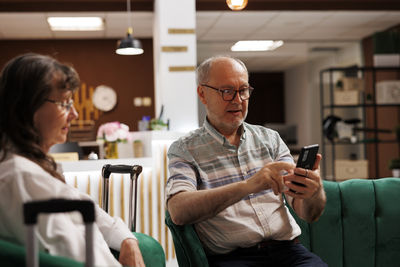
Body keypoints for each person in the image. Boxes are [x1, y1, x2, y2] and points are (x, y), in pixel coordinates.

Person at [166, 55, 327, 266]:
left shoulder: (270, 139)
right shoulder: (184, 149)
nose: (238, 100)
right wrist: (249, 186)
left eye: (243, 90)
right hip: (233, 259)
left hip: (289, 253)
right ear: (202, 94)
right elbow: (178, 211)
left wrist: (314, 192)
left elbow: (307, 212)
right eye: (226, 91)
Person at [0, 53, 145, 267]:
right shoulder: (21, 177)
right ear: (27, 107)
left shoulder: (34, 167)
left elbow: (85, 206)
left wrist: (127, 238)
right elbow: (75, 256)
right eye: (65, 104)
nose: (75, 114)